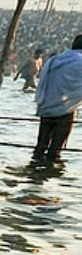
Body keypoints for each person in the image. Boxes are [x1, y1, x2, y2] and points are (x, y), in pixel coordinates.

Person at [32, 34, 82, 164]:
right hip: (66, 110)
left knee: (40, 147)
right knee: (55, 151)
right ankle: (50, 170)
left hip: (46, 107)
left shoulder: (55, 60)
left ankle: (34, 169)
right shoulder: (79, 61)